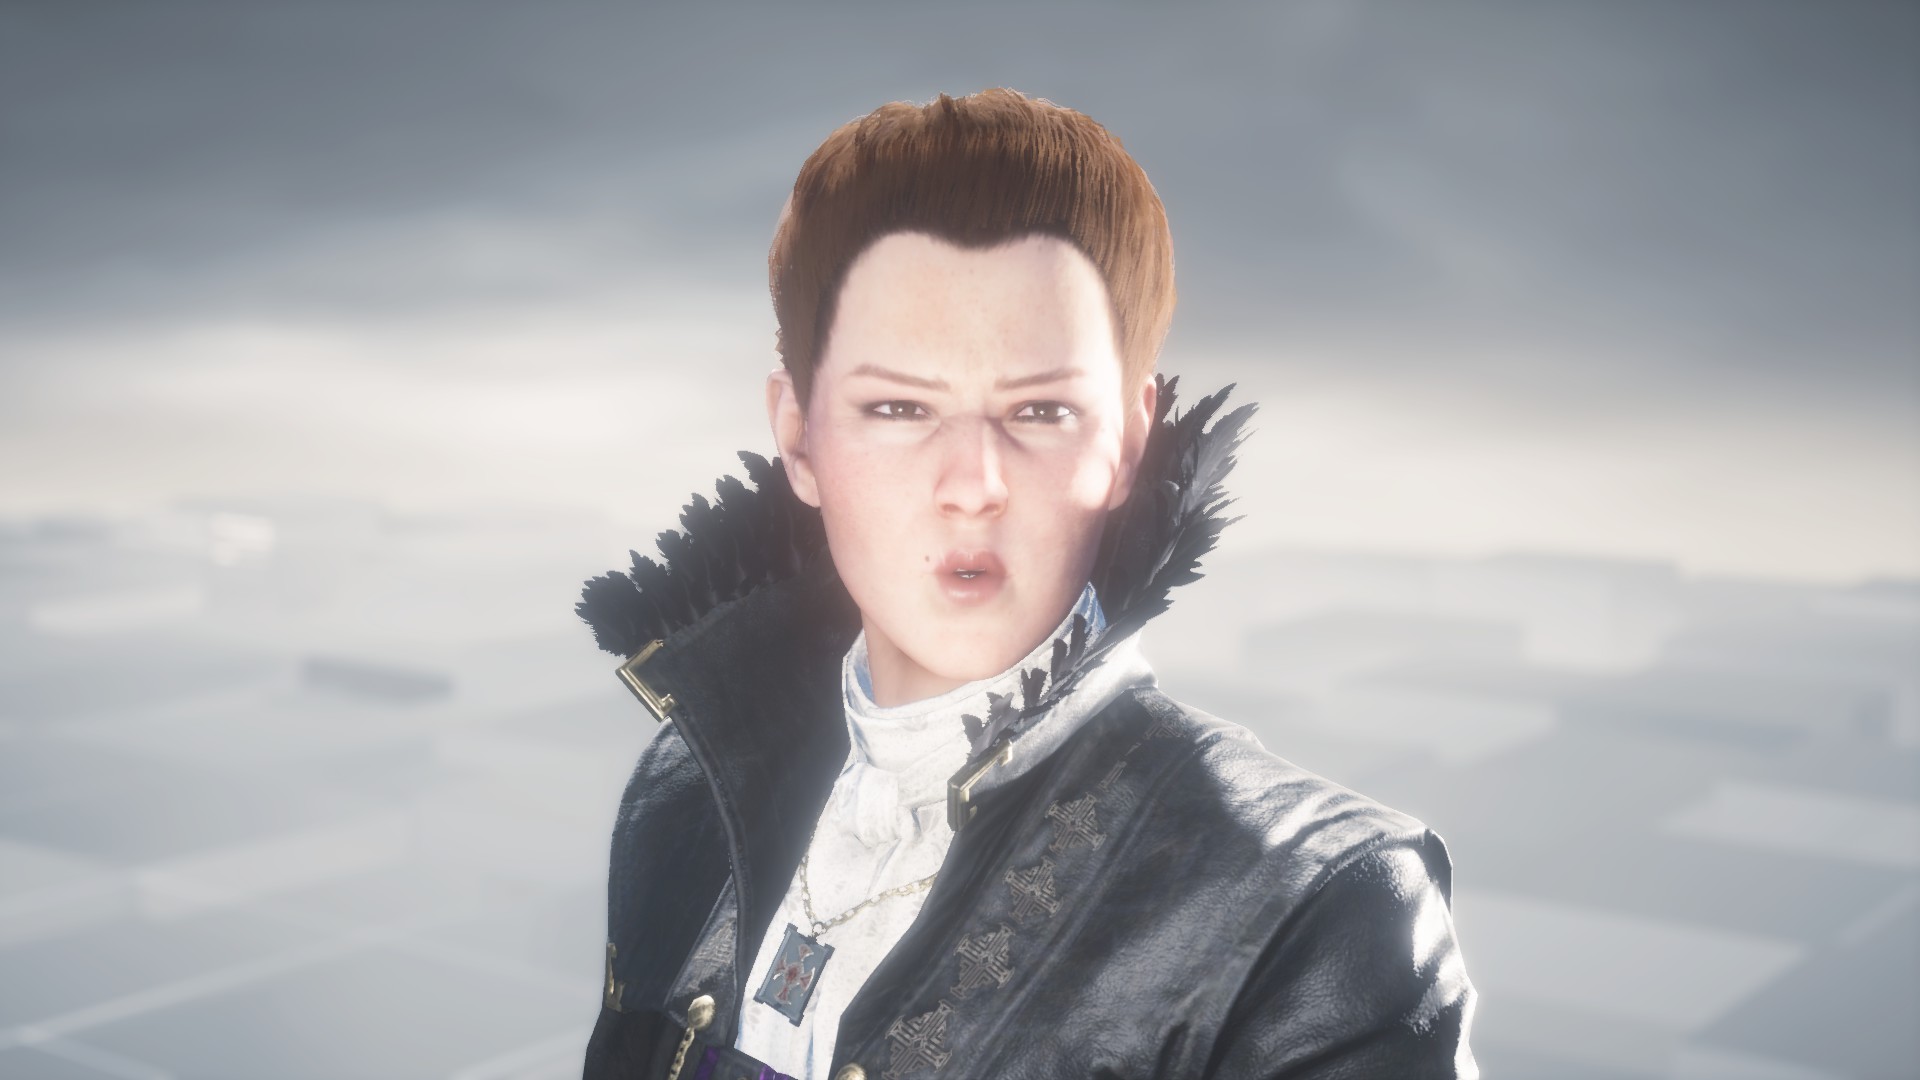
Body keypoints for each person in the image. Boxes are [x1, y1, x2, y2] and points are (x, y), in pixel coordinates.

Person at [577, 88, 1477, 1080]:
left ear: (1126, 442)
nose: (973, 485)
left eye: (1040, 412)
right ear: (798, 437)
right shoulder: (685, 796)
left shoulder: (1318, 912)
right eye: (899, 407)